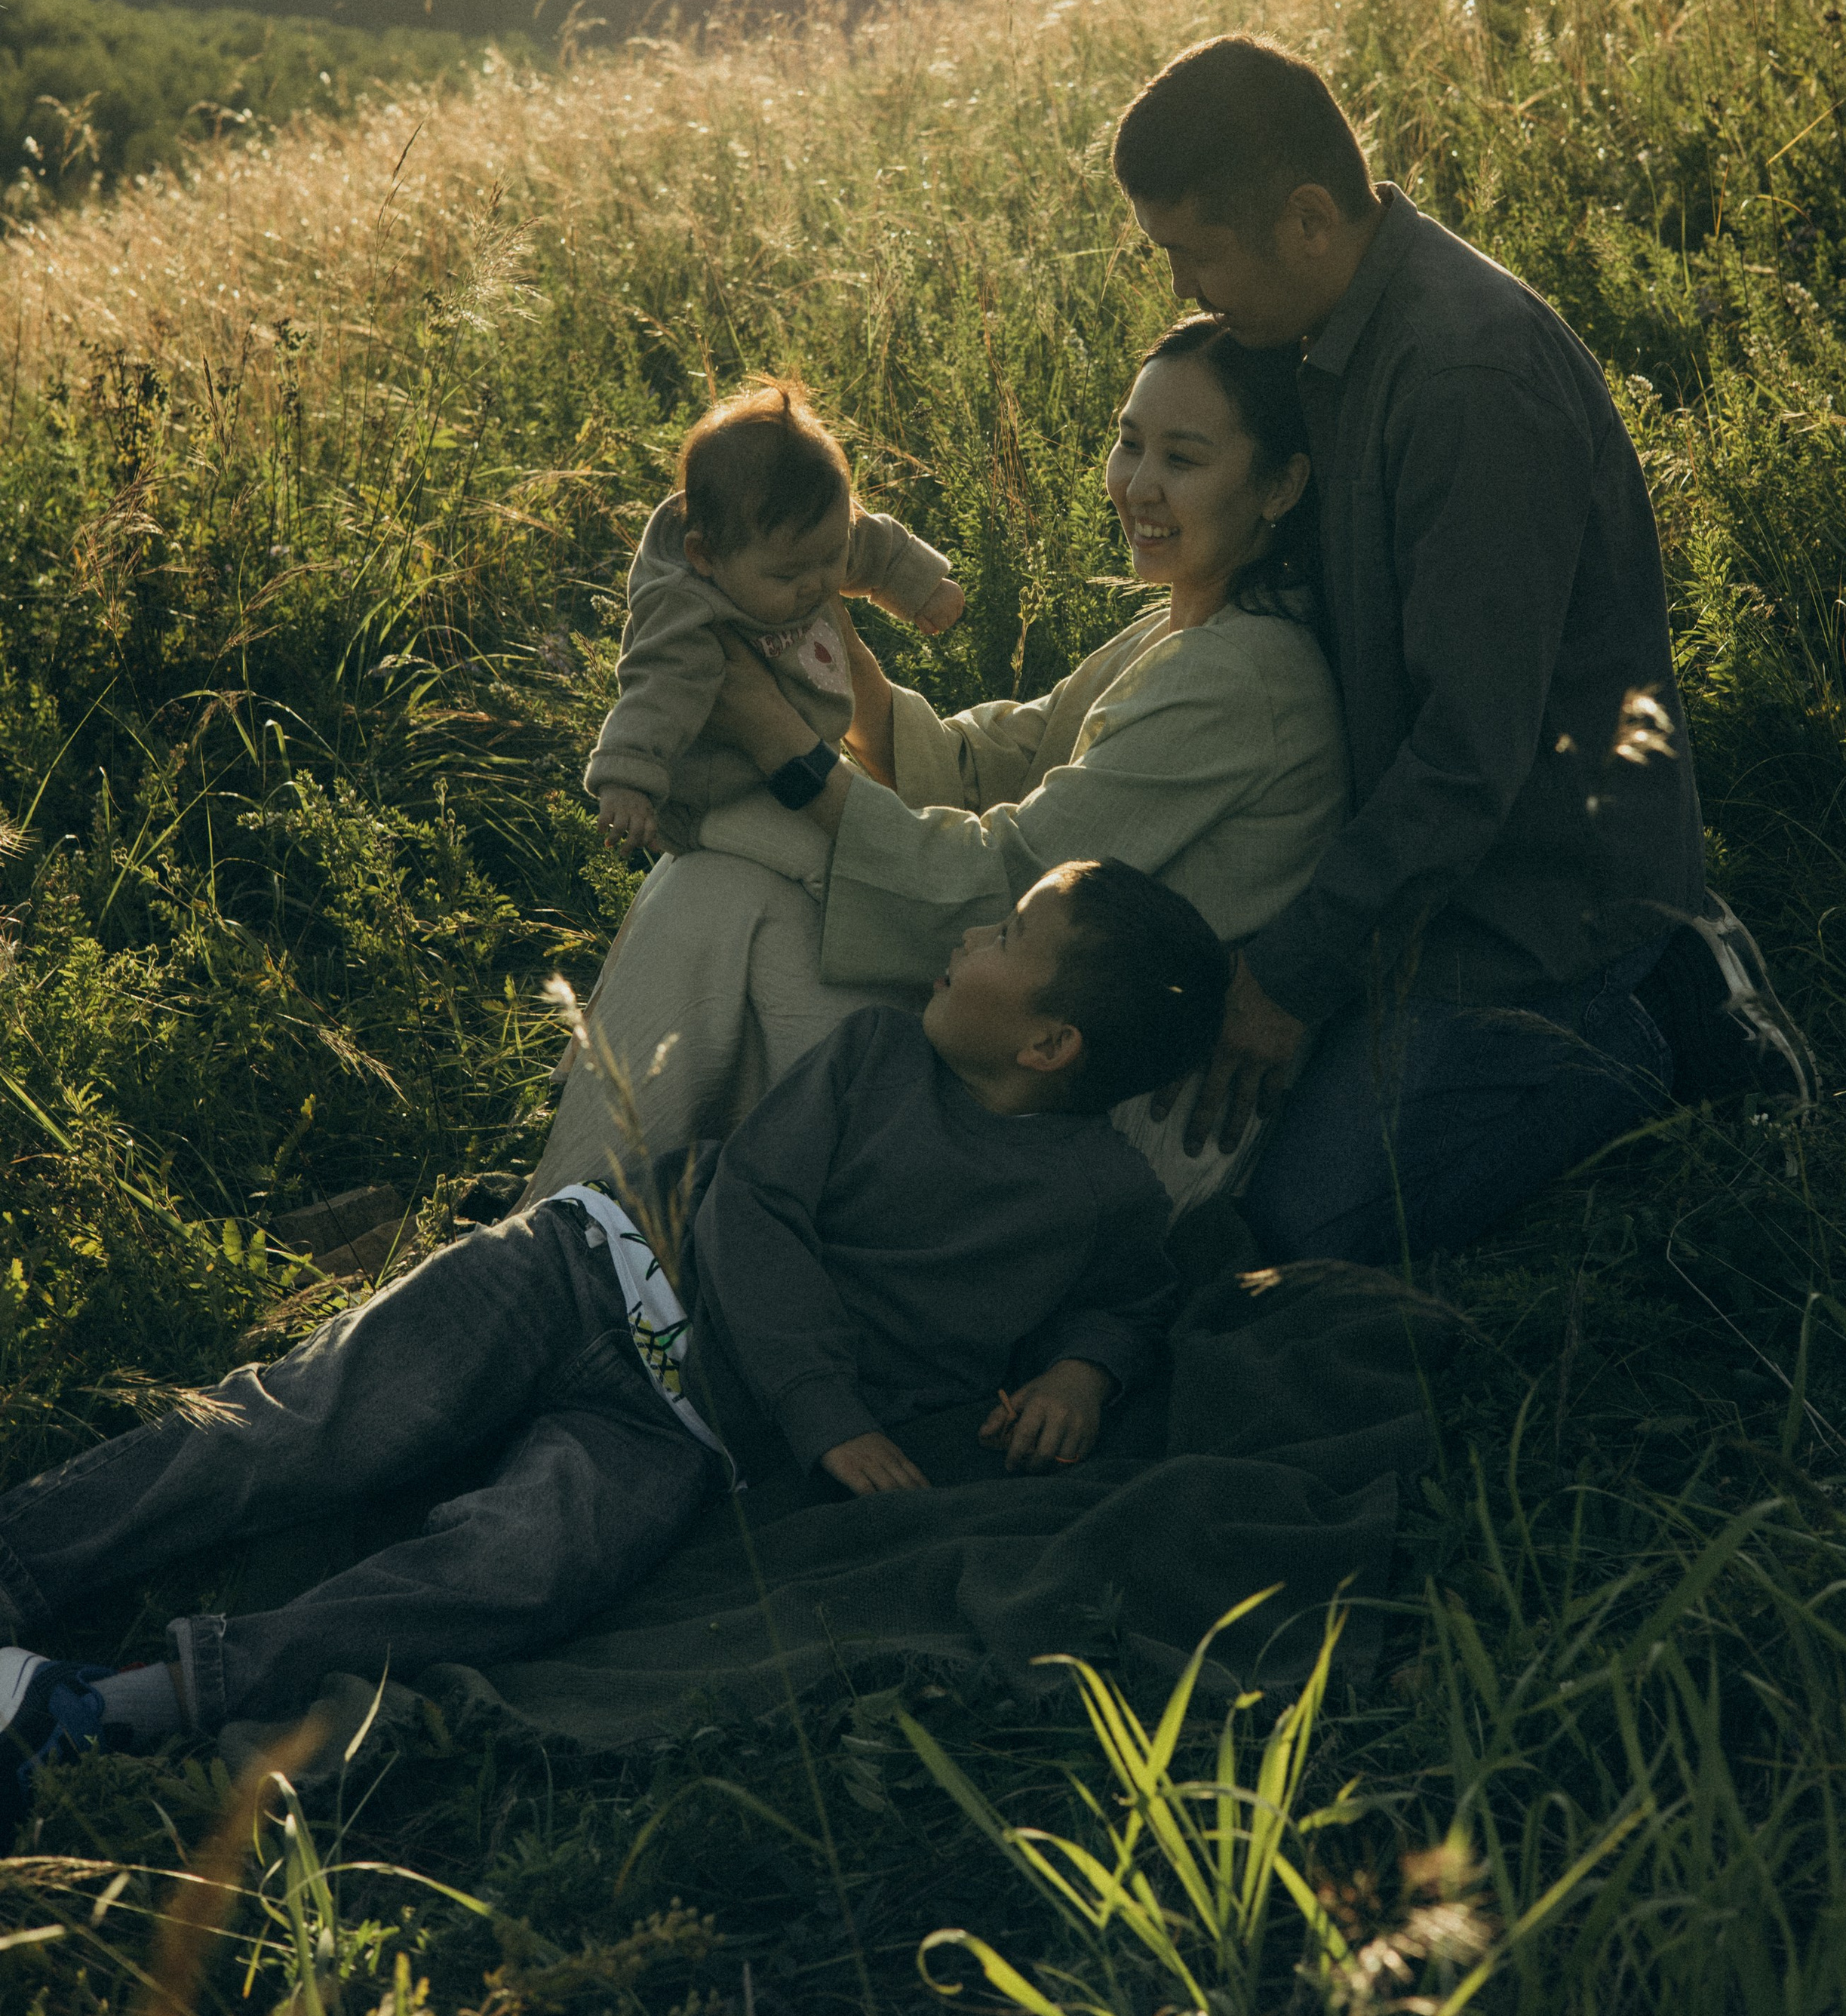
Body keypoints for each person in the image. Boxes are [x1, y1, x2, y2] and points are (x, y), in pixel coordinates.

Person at [1, 859, 1220, 1835]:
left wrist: (1083, 1370)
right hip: (590, 1271)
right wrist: (826, 1411)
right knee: (315, 1418)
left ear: (1049, 1046)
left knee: (528, 1568)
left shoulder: (1106, 1198)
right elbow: (753, 1207)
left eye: (1006, 934)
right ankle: (31, 1558)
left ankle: (121, 1704)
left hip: (678, 1434)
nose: (966, 939)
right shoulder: (874, 1056)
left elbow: (1130, 1297)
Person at [1110, 31, 1818, 1267]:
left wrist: (1291, 976)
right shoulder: (1326, 340)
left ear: (1312, 218)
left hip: (1543, 914)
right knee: (1197, 1173)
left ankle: (1655, 1023)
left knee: (1290, 1234)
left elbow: (1469, 754)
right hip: (1412, 883)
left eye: (1199, 254)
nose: (1192, 293)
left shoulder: (1467, 385)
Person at [523, 316, 1349, 1215]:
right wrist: (829, 653)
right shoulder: (1187, 623)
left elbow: (1002, 887)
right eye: (1127, 442)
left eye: (1182, 460)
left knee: (715, 897)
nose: (1137, 485)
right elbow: (997, 761)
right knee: (717, 892)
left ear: (1279, 484)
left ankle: (551, 1247)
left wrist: (776, 737)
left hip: (1084, 1121)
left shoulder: (1241, 676)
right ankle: (596, 1223)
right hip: (1015, 1049)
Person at [585, 376, 965, 859]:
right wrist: (627, 780)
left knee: (854, 831)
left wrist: (917, 586)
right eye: (787, 576)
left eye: (830, 558)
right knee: (827, 862)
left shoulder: (802, 541)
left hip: (803, 754)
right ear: (704, 555)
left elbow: (868, 541)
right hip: (726, 795)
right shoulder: (686, 614)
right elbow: (655, 693)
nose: (817, 583)